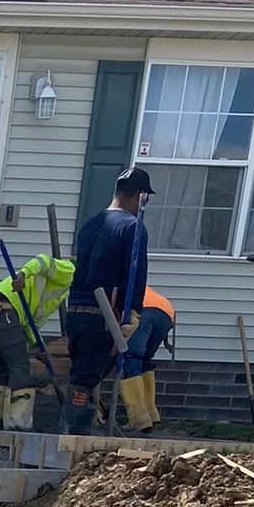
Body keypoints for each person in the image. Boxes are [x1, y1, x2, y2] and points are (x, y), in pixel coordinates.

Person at [66, 166, 152, 433]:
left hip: (76, 311)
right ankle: (72, 439)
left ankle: (79, 430)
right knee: (86, 377)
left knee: (85, 372)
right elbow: (135, 273)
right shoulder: (133, 227)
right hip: (105, 313)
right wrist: (131, 312)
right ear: (138, 195)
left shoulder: (90, 224)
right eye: (144, 197)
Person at [0, 252, 74, 430]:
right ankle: (18, 425)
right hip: (4, 307)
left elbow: (31, 323)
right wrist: (23, 274)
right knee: (20, 366)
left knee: (5, 367)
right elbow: (43, 260)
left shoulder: (60, 293)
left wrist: (38, 345)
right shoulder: (70, 270)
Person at [116, 286, 175, 432]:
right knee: (144, 361)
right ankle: (151, 414)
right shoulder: (138, 284)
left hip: (143, 311)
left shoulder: (112, 286)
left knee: (131, 359)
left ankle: (139, 419)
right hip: (166, 313)